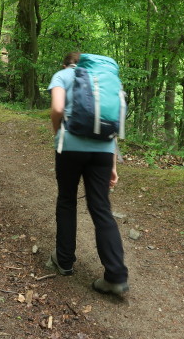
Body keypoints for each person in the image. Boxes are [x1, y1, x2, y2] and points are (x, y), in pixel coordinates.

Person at [47, 53, 129, 296]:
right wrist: (113, 164)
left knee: (67, 200)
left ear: (66, 64)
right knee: (101, 208)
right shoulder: (105, 81)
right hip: (104, 152)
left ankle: (64, 260)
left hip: (70, 147)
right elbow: (110, 125)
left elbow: (58, 108)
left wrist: (58, 134)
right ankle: (115, 276)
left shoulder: (63, 75)